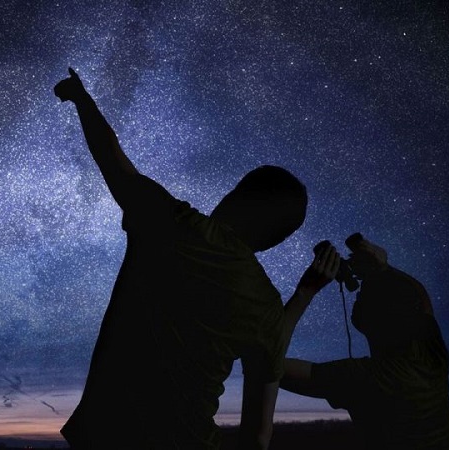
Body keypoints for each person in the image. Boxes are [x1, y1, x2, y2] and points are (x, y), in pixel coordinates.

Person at [53, 67, 337, 450]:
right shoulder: (265, 302)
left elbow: (111, 158)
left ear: (236, 198)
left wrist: (81, 98)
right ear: (274, 240)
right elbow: (259, 434)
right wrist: (304, 293)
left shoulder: (171, 223)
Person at [281, 233, 449, 449]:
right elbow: (420, 297)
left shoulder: (370, 378)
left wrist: (306, 290)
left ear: (376, 318)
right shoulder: (432, 353)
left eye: (363, 293)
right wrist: (383, 269)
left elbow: (267, 363)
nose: (358, 293)